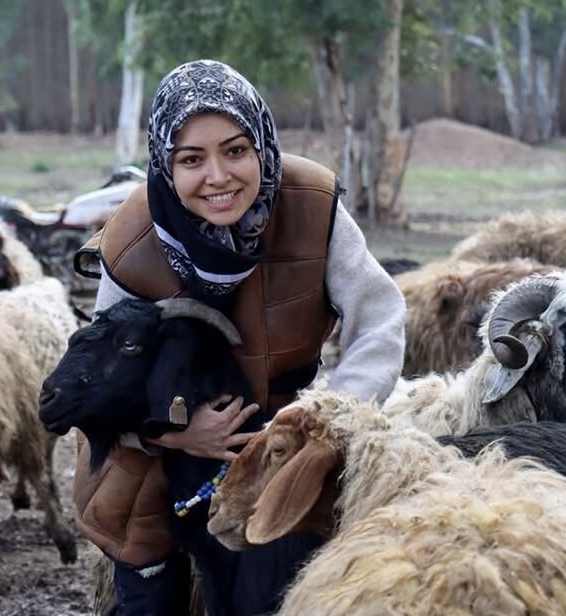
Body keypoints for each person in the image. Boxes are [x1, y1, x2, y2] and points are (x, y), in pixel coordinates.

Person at [73, 59, 406, 615]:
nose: (219, 177)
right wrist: (171, 434)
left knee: (291, 582)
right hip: (161, 443)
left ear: (261, 145)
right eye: (191, 159)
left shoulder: (310, 202)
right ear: (164, 163)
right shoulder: (133, 238)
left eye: (235, 150)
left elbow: (380, 316)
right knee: (146, 572)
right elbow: (99, 371)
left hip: (287, 433)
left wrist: (327, 419)